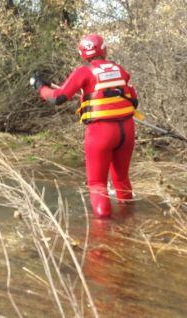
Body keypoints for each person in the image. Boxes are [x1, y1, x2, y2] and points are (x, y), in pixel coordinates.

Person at [30, 34, 138, 218]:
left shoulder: (84, 72)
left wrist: (40, 87)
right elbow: (133, 100)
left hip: (100, 133)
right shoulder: (119, 69)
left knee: (97, 184)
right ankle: (129, 222)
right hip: (126, 130)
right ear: (104, 50)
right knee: (121, 179)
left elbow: (57, 97)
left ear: (83, 53)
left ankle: (102, 229)